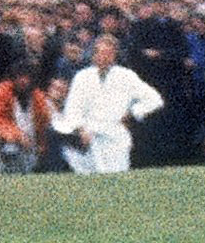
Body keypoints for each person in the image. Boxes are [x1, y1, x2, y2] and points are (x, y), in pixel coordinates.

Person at [51, 30, 164, 174]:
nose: (102, 57)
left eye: (108, 53)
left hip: (115, 134)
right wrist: (80, 129)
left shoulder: (126, 76)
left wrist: (132, 113)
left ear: (114, 55)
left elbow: (155, 99)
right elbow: (73, 108)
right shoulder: (82, 77)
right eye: (99, 52)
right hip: (88, 134)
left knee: (116, 177)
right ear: (93, 54)